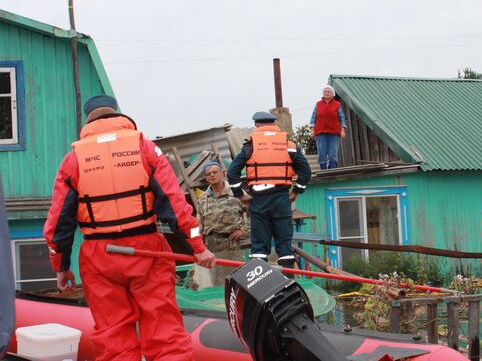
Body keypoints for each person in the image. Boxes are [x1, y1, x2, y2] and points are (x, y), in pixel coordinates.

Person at [43, 95, 215, 361]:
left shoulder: (73, 159)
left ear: (88, 121)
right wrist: (198, 247)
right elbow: (175, 204)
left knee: (113, 336)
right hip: (147, 251)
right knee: (164, 330)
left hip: (99, 257)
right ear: (117, 115)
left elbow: (58, 224)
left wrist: (61, 266)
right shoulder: (145, 148)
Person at [227, 112, 311, 269]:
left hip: (259, 200)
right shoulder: (289, 145)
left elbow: (232, 173)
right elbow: (306, 172)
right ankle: (288, 283)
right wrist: (296, 192)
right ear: (274, 124)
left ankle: (260, 286)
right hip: (281, 199)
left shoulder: (250, 146)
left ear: (257, 125)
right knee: (285, 247)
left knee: (259, 248)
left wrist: (240, 195)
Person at [191, 161, 249, 289]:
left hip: (232, 243)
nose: (212, 175)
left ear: (222, 173)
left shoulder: (237, 193)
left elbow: (254, 212)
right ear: (206, 178)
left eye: (215, 172)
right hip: (211, 245)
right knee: (216, 281)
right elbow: (196, 224)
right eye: (208, 174)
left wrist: (244, 230)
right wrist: (195, 244)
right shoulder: (203, 199)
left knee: (237, 278)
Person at [310, 85, 346, 170]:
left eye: (328, 91)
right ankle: (323, 170)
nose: (327, 93)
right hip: (320, 132)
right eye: (325, 92)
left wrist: (343, 130)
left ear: (332, 94)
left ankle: (332, 169)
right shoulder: (318, 104)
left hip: (334, 132)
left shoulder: (337, 104)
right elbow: (313, 118)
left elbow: (342, 118)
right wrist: (312, 130)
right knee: (321, 152)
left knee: (333, 152)